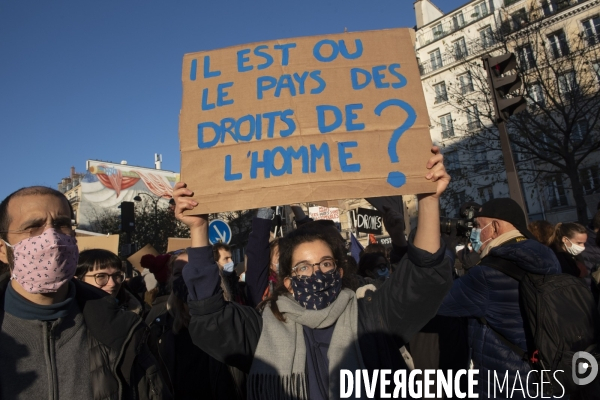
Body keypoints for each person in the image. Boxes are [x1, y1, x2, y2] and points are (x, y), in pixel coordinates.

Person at [174, 146, 453, 399]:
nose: (316, 273)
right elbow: (210, 316)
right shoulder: (261, 330)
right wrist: (198, 229)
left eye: (326, 263)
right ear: (288, 282)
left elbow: (423, 275)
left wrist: (428, 200)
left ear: (340, 271)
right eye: (303, 267)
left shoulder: (372, 316)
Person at [0, 186, 171, 399]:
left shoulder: (125, 330)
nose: (52, 238)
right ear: (2, 249)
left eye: (61, 224)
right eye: (33, 226)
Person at [437, 197, 561, 397]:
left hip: (505, 382)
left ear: (495, 228)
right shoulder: (548, 258)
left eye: (478, 226)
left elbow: (436, 303)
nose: (474, 232)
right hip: (545, 374)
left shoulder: (487, 274)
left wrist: (446, 252)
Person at [146, 250, 246, 399]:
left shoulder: (234, 319)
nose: (187, 279)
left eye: (194, 272)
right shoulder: (158, 327)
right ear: (170, 280)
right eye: (179, 274)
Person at [76, 248, 143, 315]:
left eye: (117, 275)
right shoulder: (71, 319)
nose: (112, 284)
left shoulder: (134, 314)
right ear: (78, 280)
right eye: (101, 276)